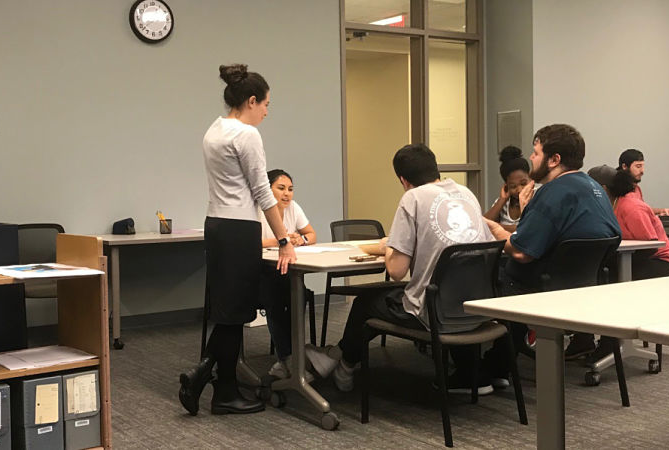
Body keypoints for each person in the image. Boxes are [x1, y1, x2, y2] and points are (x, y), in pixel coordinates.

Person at [304, 143, 497, 394]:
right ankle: (335, 358)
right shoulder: (465, 193)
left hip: (434, 313)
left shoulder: (413, 198)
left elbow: (396, 270)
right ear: (435, 167)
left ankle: (343, 363)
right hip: (474, 306)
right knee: (420, 289)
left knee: (366, 302)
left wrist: (393, 247)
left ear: (403, 180)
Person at [178, 64, 296, 416]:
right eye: (265, 105)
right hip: (238, 227)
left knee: (228, 313)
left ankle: (208, 380)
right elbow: (263, 192)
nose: (266, 112)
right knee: (234, 315)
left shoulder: (214, 130)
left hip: (216, 224)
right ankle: (221, 391)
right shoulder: (246, 135)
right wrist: (284, 239)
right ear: (251, 100)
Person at [484, 124, 622, 364]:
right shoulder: (595, 188)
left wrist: (492, 227)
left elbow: (520, 251)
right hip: (587, 287)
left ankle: (497, 363)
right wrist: (530, 211)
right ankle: (577, 340)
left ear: (554, 159)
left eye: (536, 153)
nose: (531, 158)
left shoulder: (552, 192)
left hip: (545, 288)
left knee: (495, 273)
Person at [259, 169, 316, 379]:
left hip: (285, 270)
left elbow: (311, 234)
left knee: (298, 293)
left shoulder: (293, 207)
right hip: (259, 273)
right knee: (275, 296)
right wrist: (282, 239)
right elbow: (253, 242)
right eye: (281, 188)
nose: (287, 194)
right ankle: (290, 357)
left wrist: (301, 240)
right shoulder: (258, 209)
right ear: (267, 189)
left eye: (290, 189)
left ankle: (289, 359)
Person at [588, 165, 669, 280]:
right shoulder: (609, 207)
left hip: (662, 262)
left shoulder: (632, 208)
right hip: (631, 258)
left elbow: (650, 248)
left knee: (609, 274)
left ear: (603, 189)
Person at [484, 146, 533, 232]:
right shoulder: (504, 203)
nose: (519, 190)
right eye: (513, 186)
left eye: (523, 183)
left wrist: (497, 227)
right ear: (506, 186)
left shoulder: (538, 197)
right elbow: (484, 225)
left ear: (531, 178)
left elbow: (528, 229)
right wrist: (502, 200)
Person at [617, 149, 669, 216]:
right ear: (624, 166)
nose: (642, 171)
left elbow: (643, 210)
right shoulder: (618, 190)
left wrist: (661, 211)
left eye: (642, 166)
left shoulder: (636, 188)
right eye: (638, 166)